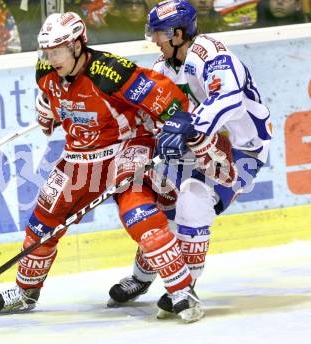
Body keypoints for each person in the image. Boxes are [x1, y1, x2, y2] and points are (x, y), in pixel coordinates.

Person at [0, 11, 205, 323]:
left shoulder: (109, 71)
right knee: (41, 223)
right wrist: (47, 109)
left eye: (58, 50)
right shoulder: (44, 70)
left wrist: (179, 120)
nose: (51, 58)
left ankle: (183, 291)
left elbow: (163, 95)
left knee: (139, 215)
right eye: (47, 52)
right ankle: (26, 291)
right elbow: (53, 97)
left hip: (126, 146)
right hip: (79, 157)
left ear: (78, 46)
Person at [107, 0, 271, 321]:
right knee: (163, 204)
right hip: (200, 143)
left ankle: (186, 288)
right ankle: (142, 278)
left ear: (178, 33)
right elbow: (148, 110)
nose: (154, 39)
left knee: (193, 201)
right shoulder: (164, 65)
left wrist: (190, 122)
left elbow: (228, 98)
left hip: (242, 148)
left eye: (159, 34)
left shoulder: (212, 55)